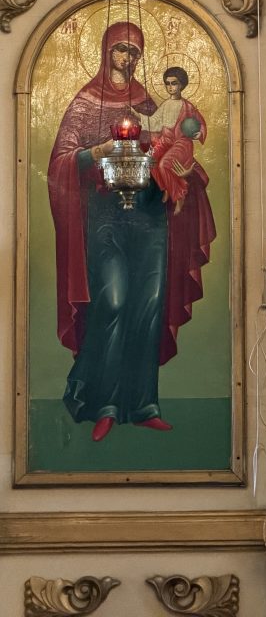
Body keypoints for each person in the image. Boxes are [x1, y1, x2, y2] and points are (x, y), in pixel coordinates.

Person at [47, 22, 216, 443]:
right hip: (104, 216)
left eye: (134, 52)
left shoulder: (147, 100)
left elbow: (166, 141)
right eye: (121, 49)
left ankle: (142, 405)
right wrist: (99, 151)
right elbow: (61, 161)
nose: (128, 58)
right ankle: (101, 402)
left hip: (148, 216)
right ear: (106, 51)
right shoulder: (85, 102)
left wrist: (179, 164)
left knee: (150, 302)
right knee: (114, 300)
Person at [149, 67, 208, 216]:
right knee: (150, 161)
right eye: (167, 84)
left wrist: (199, 133)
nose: (170, 87)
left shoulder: (187, 106)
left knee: (164, 164)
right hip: (166, 141)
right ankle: (166, 188)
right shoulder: (165, 105)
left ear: (181, 84)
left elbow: (201, 123)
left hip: (181, 142)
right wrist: (137, 115)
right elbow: (154, 122)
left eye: (174, 83)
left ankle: (179, 195)